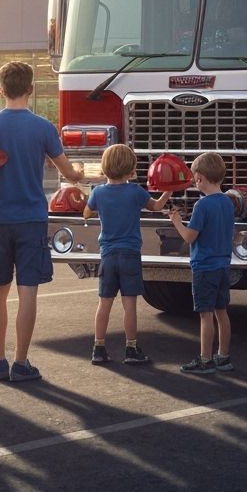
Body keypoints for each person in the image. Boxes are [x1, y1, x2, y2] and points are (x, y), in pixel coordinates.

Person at [0, 60, 84, 382]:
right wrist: (77, 174)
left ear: (1, 89)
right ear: (31, 90)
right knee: (28, 292)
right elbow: (67, 171)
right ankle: (21, 362)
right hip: (31, 219)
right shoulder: (43, 128)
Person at [83, 143, 171, 365]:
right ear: (131, 169)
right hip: (130, 253)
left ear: (105, 168)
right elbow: (156, 206)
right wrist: (169, 189)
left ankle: (98, 348)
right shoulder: (135, 192)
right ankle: (131, 349)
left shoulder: (98, 193)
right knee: (129, 304)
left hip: (108, 255)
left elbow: (86, 214)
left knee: (104, 303)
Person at [166, 152, 236, 374]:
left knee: (205, 315)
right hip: (223, 266)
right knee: (221, 312)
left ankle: (205, 359)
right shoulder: (227, 202)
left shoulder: (201, 206)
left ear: (199, 178)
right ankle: (223, 356)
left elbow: (189, 237)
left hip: (204, 267)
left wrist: (177, 221)